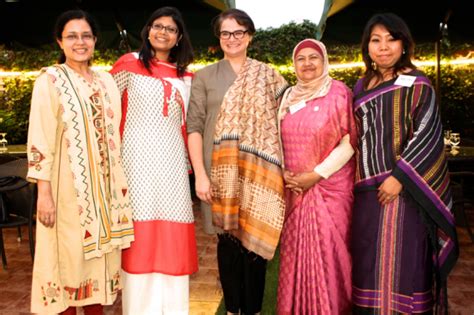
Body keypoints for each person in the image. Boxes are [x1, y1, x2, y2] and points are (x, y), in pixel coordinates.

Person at [27, 10, 134, 315]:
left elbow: (115, 134)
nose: (80, 42)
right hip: (67, 193)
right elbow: (41, 138)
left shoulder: (106, 81)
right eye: (72, 36)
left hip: (105, 195)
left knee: (100, 264)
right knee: (68, 262)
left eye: (86, 35)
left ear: (95, 40)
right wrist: (44, 196)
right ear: (60, 42)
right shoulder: (50, 81)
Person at [351, 13, 458, 314]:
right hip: (365, 194)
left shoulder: (417, 83)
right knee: (367, 265)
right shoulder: (360, 86)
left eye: (391, 38)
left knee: (403, 264)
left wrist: (399, 177)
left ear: (404, 43)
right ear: (367, 46)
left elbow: (427, 132)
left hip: (406, 191)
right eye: (376, 40)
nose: (383, 47)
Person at [187, 8, 288, 315]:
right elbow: (194, 127)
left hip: (258, 171)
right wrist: (200, 176)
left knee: (254, 244)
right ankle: (233, 309)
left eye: (239, 32)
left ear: (250, 36)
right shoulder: (204, 76)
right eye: (226, 33)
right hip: (218, 172)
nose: (232, 39)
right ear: (219, 38)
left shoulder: (268, 74)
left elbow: (286, 118)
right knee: (228, 242)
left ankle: (254, 309)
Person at [109, 6, 198, 314]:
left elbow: (194, 126)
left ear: (179, 37)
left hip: (173, 168)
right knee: (139, 238)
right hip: (133, 165)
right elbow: (106, 112)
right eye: (157, 26)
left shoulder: (188, 78)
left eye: (171, 29)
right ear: (147, 30)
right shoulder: (127, 65)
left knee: (172, 237)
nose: (163, 32)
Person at [276, 38, 356, 315]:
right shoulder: (287, 97)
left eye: (314, 57)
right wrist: (283, 170)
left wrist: (316, 175)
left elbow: (349, 144)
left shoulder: (339, 93)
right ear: (294, 64)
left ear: (324, 61)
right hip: (293, 190)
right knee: (295, 258)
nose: (307, 63)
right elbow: (278, 139)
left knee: (329, 256)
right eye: (301, 58)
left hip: (329, 190)